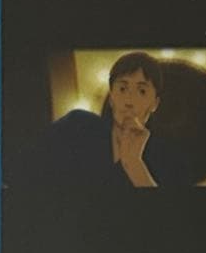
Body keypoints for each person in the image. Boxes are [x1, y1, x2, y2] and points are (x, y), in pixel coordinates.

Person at [39, 52, 190, 189]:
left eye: (142, 91)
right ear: (111, 97)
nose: (129, 101)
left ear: (154, 104)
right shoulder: (78, 125)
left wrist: (134, 164)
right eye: (122, 89)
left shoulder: (167, 158)